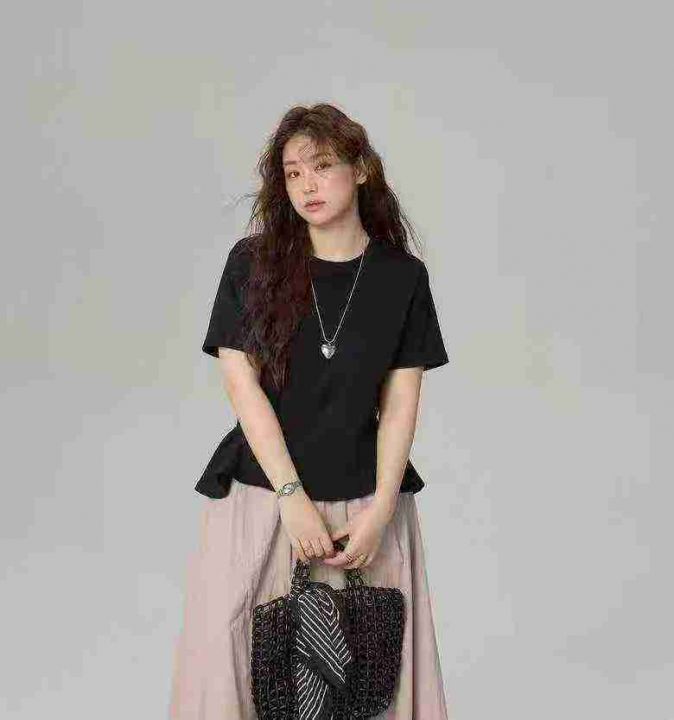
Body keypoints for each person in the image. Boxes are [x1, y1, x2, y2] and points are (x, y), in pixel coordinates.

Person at [169, 102, 451, 719]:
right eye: (293, 173)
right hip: (263, 497)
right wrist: (292, 497)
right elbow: (240, 383)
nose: (307, 185)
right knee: (244, 680)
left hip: (365, 510)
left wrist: (382, 508)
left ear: (362, 169)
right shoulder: (253, 262)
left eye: (321, 166)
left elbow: (401, 401)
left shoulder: (402, 277)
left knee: (364, 686)